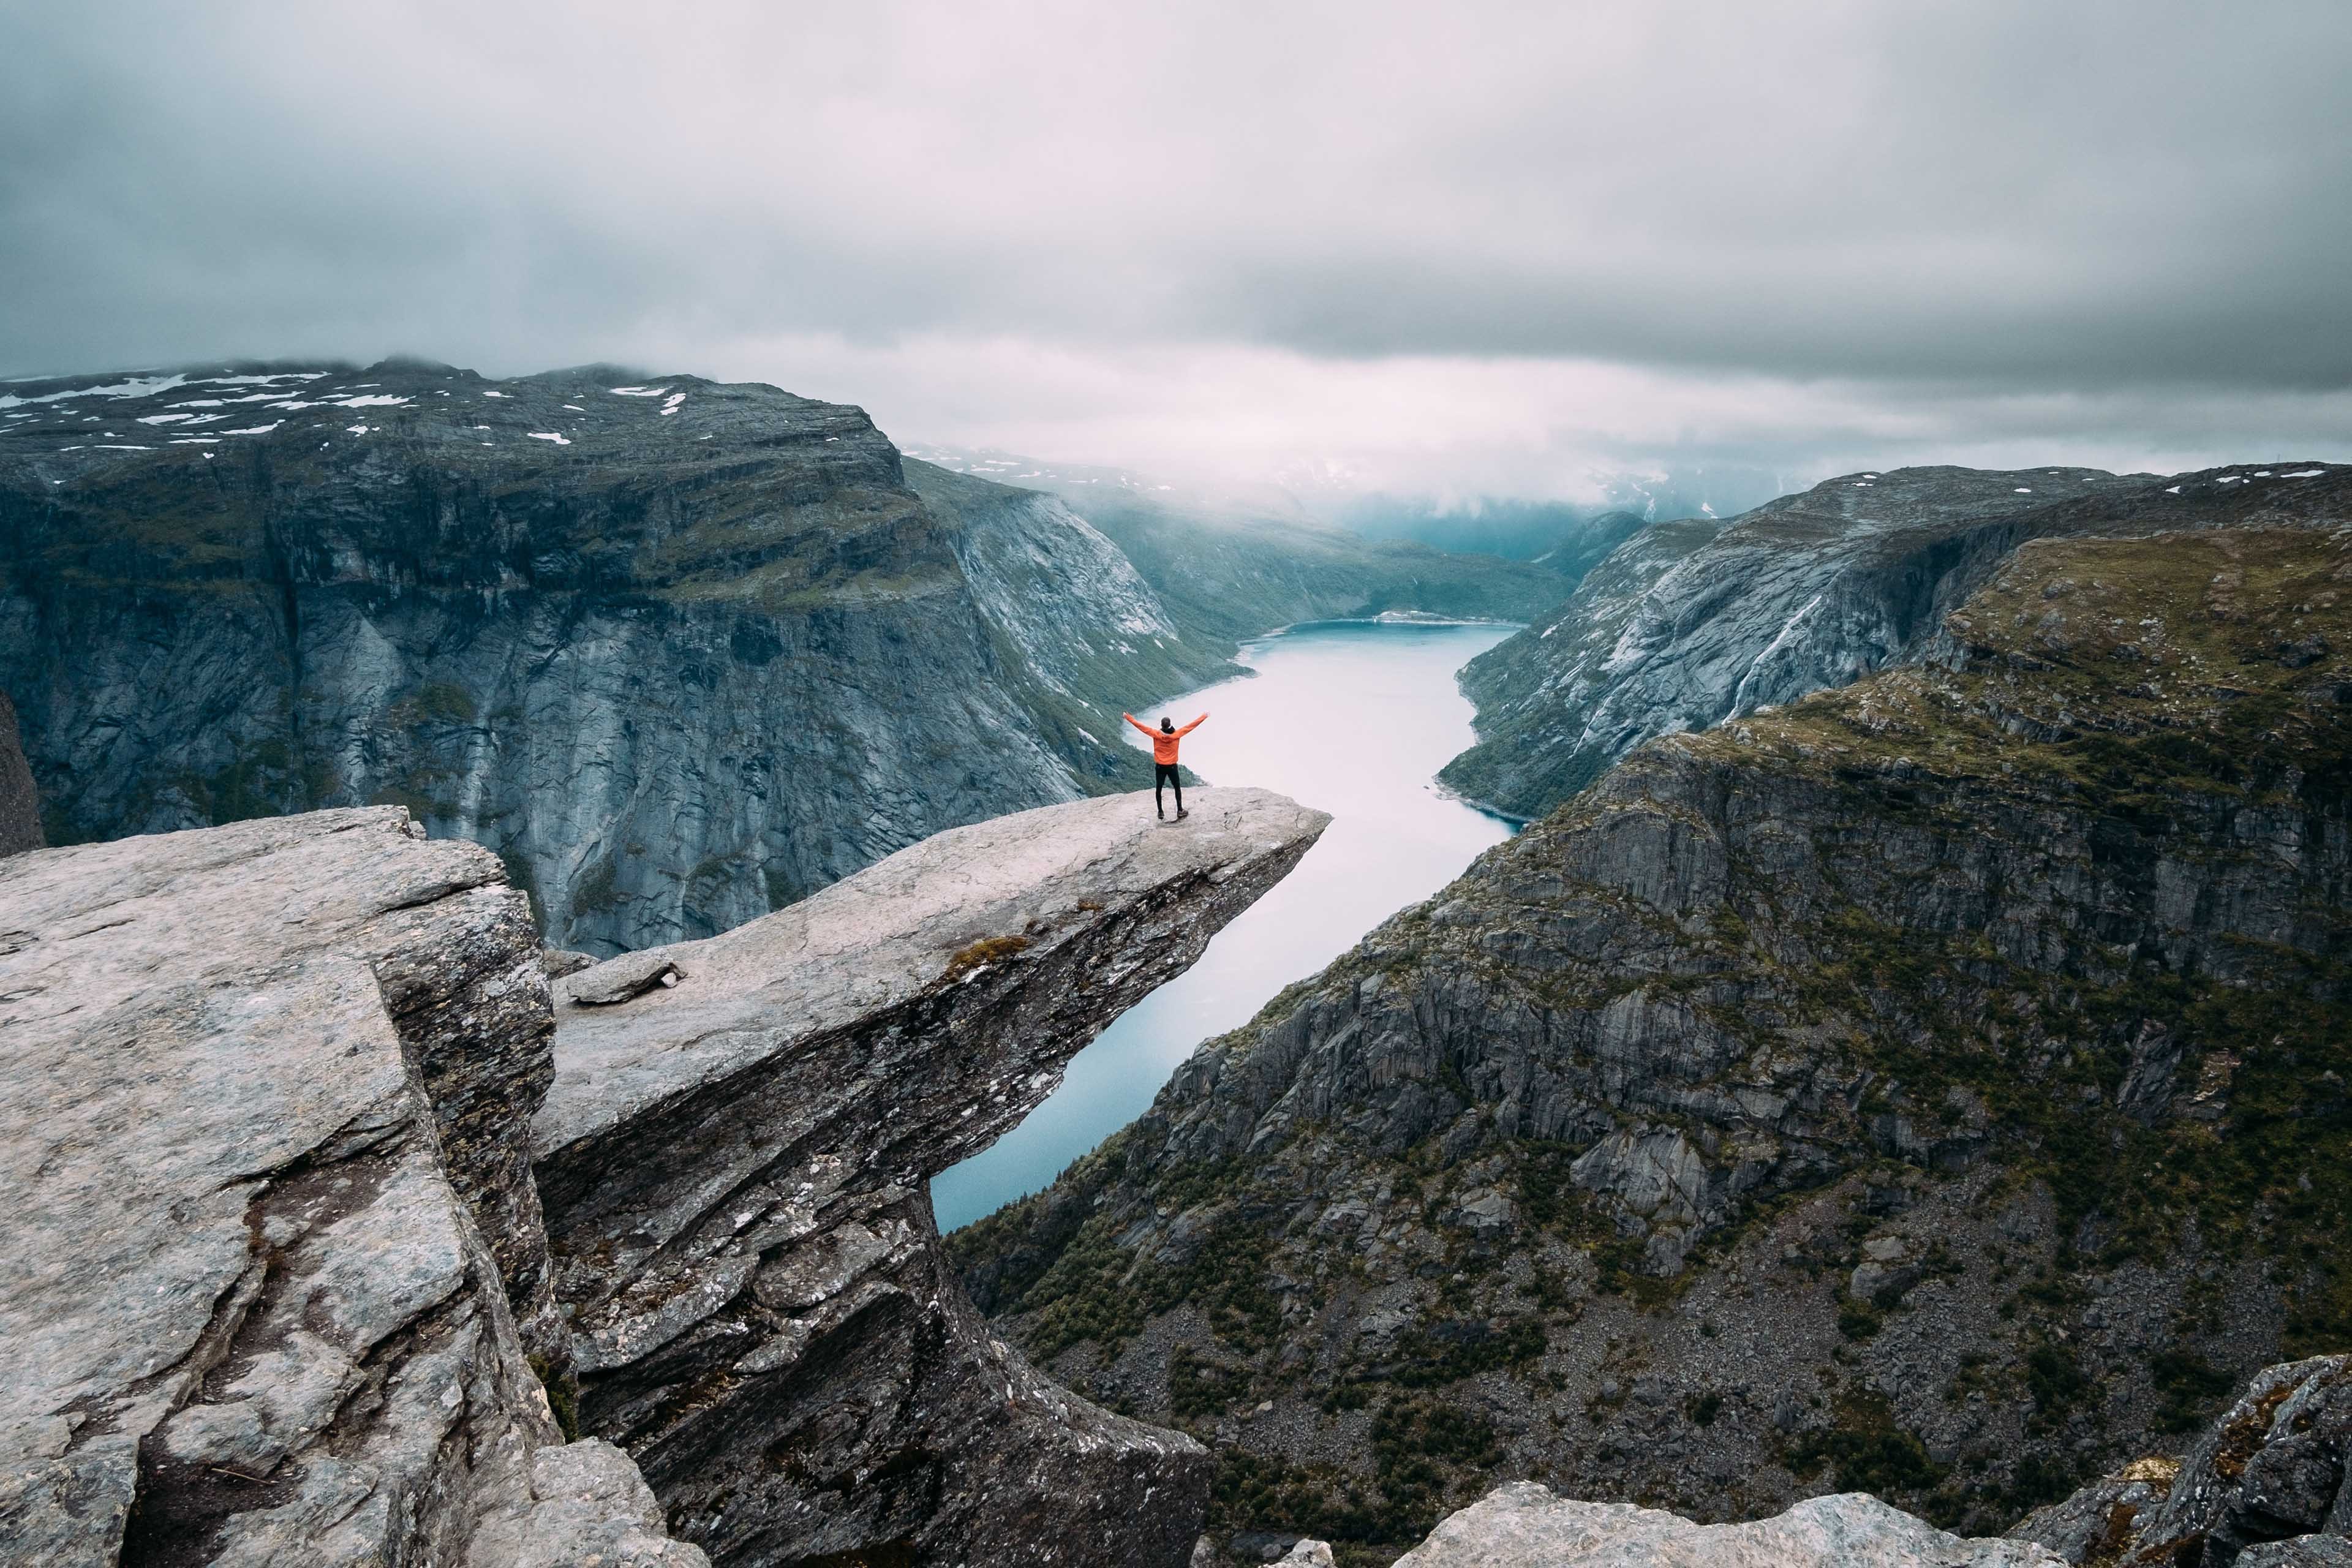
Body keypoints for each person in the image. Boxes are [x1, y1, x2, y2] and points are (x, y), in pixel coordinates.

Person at [1123, 710, 1207, 820]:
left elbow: (1140, 726)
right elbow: (1191, 726)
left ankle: (1160, 812)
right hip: (1172, 767)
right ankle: (1180, 810)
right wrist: (1204, 716)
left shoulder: (1156, 734)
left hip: (1160, 767)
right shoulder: (1177, 734)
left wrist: (1127, 717)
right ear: (1170, 725)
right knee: (1177, 788)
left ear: (1161, 725)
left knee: (1159, 788)